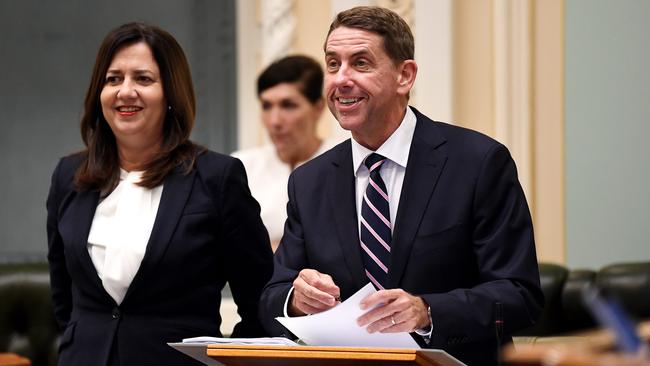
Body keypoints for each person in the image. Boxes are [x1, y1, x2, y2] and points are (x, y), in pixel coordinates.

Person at [259, 6, 543, 366]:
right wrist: (297, 301)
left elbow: (520, 296)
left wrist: (427, 311)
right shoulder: (309, 181)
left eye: (360, 63)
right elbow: (271, 298)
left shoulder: (478, 162)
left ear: (404, 76)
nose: (341, 79)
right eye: (333, 64)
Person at [46, 22, 273, 366]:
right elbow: (64, 297)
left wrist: (226, 360)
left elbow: (259, 299)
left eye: (143, 79)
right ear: (98, 93)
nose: (125, 91)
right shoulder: (69, 175)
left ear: (172, 94)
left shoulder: (216, 178)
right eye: (113, 79)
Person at [232, 55, 336, 251]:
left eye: (288, 105)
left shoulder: (345, 162)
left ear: (319, 108)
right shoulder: (241, 166)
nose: (275, 121)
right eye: (266, 106)